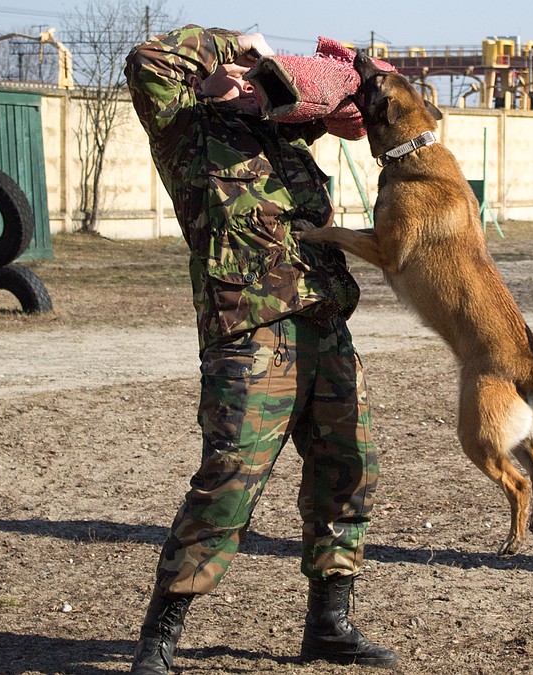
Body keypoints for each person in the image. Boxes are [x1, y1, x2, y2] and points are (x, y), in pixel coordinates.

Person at [122, 24, 398, 672]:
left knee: (349, 466)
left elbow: (346, 103)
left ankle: (330, 621)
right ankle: (159, 636)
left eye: (253, 72)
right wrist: (231, 45)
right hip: (251, 328)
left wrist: (333, 72)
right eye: (239, 72)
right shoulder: (182, 122)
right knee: (229, 479)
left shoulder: (279, 126)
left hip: (324, 321)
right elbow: (145, 58)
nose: (248, 78)